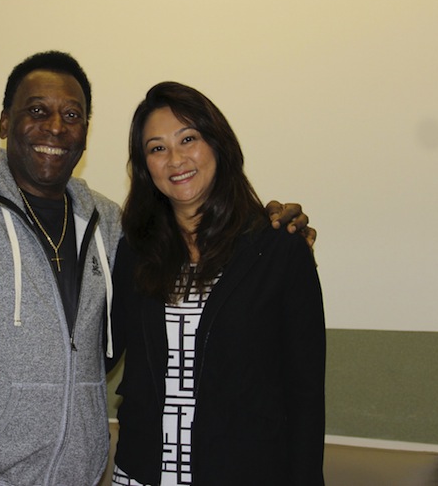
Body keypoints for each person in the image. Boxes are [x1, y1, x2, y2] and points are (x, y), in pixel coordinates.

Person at [0, 12, 312, 486]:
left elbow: (196, 240)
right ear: (5, 122)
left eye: (71, 115)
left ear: (86, 133)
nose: (55, 127)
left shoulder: (114, 225)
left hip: (83, 475)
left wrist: (264, 227)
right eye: (36, 111)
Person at [107, 82, 326, 486]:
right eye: (157, 148)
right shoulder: (134, 253)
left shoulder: (278, 250)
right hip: (141, 474)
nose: (175, 159)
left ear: (217, 144)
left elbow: (305, 396)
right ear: (144, 166)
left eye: (188, 138)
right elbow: (95, 355)